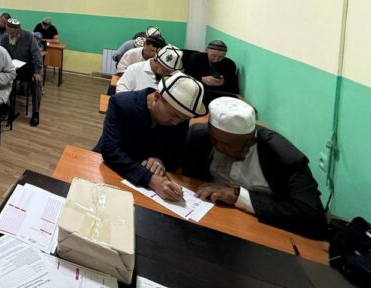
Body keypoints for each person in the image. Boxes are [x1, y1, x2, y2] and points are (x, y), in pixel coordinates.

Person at [184, 97, 326, 238]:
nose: (219, 148)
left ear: (251, 140)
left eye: (227, 145)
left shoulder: (282, 156)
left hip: (262, 231)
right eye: (214, 140)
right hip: (210, 219)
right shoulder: (200, 136)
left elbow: (311, 215)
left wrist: (237, 196)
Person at [94, 73, 206, 201]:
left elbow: (176, 153)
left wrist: (160, 160)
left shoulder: (180, 117)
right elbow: (110, 150)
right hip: (112, 167)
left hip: (146, 179)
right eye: (174, 115)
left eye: (183, 119)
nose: (176, 123)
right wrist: (149, 178)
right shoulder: (122, 103)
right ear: (157, 97)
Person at [0, 19, 44, 126]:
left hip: (29, 68)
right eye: (7, 31)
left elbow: (37, 55)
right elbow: (1, 53)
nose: (9, 34)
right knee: (1, 80)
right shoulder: (5, 38)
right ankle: (6, 108)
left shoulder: (28, 37)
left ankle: (35, 113)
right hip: (13, 68)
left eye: (11, 32)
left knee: (36, 83)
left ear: (17, 30)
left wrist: (37, 71)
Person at [116, 44, 183, 94]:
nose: (166, 74)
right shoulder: (134, 69)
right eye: (164, 70)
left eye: (169, 72)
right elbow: (120, 90)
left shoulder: (173, 77)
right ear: (155, 60)